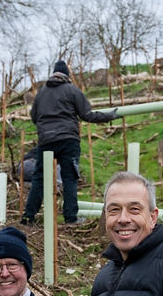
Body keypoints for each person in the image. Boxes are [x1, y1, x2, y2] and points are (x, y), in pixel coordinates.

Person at [21, 60, 118, 226]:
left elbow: (34, 117)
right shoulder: (72, 90)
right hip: (68, 140)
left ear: (54, 74)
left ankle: (28, 217)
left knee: (39, 179)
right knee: (70, 178)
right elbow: (88, 115)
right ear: (67, 75)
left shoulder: (42, 93)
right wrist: (110, 116)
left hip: (46, 141)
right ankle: (70, 218)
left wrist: (46, 129)